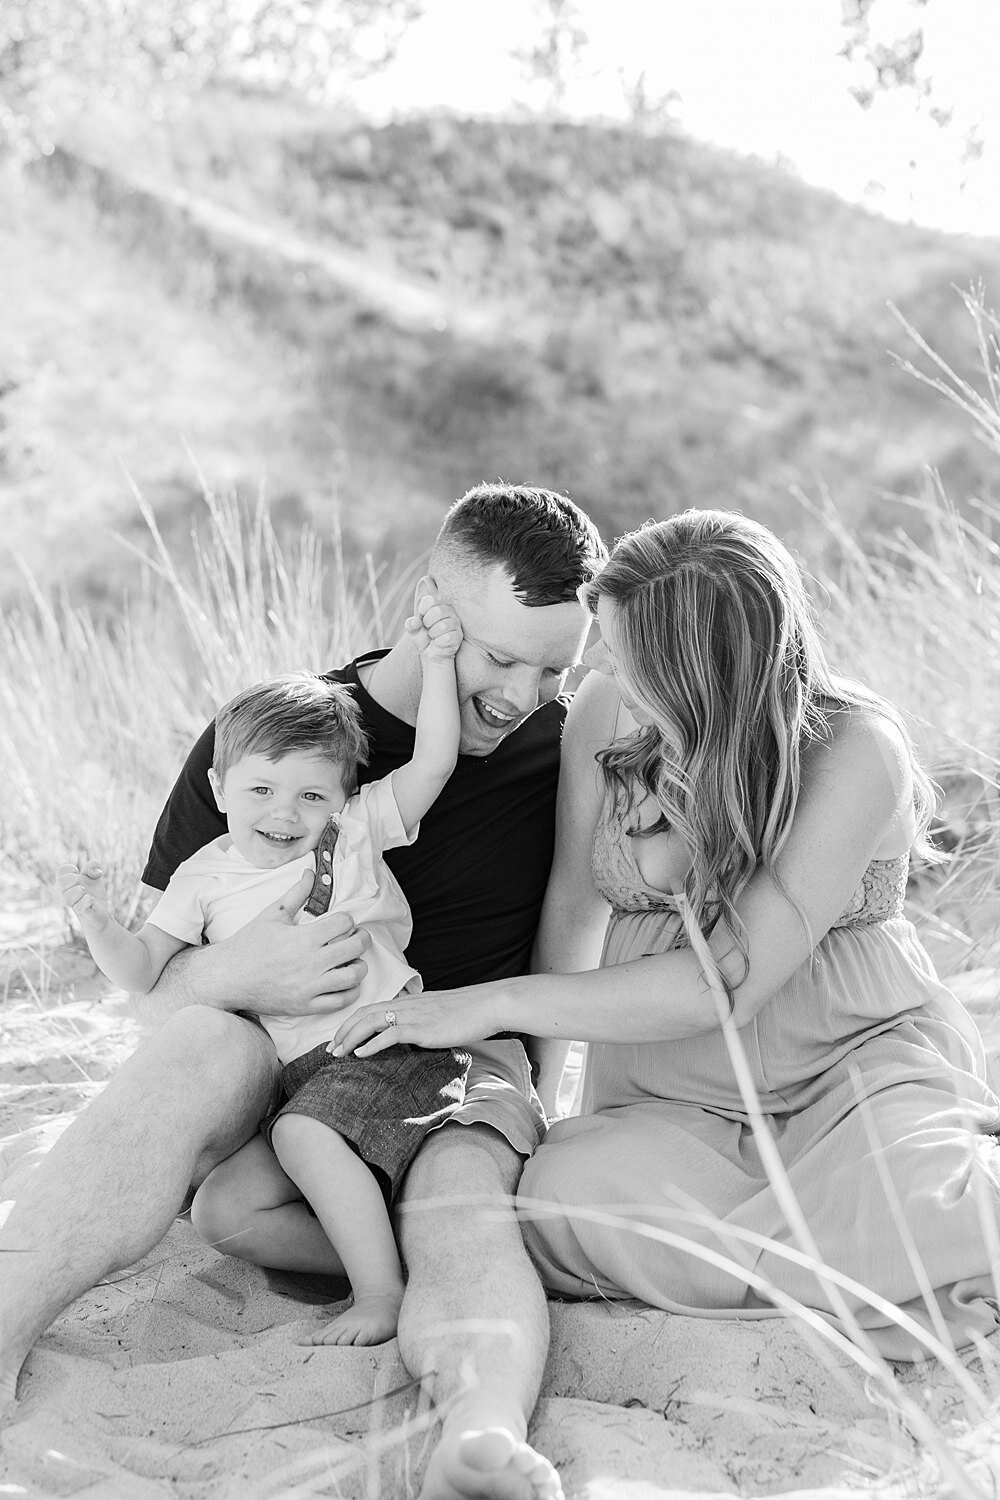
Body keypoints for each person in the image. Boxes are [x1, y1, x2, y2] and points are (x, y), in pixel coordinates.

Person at [0, 484, 605, 1500]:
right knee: (203, 1067)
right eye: (499, 658)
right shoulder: (283, 745)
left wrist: (536, 1098)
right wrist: (237, 975)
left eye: (555, 667)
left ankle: (478, 1433)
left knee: (458, 1186)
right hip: (273, 1055)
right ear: (434, 610)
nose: (522, 693)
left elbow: (564, 941)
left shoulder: (557, 747)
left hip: (454, 1055)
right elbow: (153, 997)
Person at [333, 508, 1000, 1361]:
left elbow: (720, 981)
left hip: (851, 1076)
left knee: (927, 1201)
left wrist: (482, 1005)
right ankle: (880, 1285)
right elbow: (572, 916)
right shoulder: (606, 714)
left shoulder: (854, 748)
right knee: (564, 1200)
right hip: (666, 1104)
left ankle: (882, 1262)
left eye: (624, 652)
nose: (601, 669)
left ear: (700, 673)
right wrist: (541, 1096)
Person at [58, 591, 471, 1348]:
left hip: (386, 1044)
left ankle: (381, 1295)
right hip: (301, 1078)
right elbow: (143, 972)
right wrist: (97, 923)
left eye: (311, 793)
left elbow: (437, 760)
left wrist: (438, 660)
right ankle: (404, 1259)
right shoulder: (202, 878)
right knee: (223, 1213)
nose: (285, 812)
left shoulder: (352, 833)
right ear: (219, 789)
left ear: (342, 797)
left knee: (305, 1142)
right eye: (261, 789)